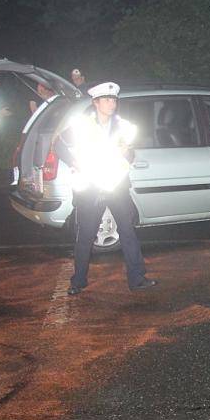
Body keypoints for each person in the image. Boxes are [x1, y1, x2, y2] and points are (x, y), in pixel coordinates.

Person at [56, 81, 156, 295]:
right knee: (85, 236)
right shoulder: (83, 126)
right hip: (91, 188)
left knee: (128, 232)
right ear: (95, 102)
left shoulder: (123, 126)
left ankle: (137, 279)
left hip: (116, 186)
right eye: (107, 100)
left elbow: (130, 155)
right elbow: (58, 145)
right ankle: (78, 282)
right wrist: (75, 163)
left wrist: (125, 153)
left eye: (114, 100)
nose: (112, 103)